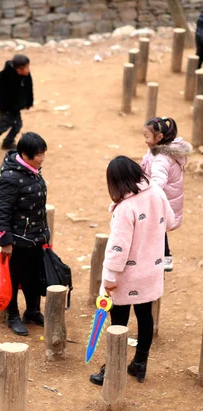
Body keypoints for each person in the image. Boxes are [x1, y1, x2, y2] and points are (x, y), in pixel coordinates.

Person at [90, 156, 174, 386]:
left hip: (127, 275)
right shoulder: (156, 192)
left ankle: (112, 368)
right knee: (145, 316)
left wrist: (109, 277)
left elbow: (118, 248)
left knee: (118, 321)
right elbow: (171, 221)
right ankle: (139, 363)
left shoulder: (125, 208)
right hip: (151, 271)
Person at [0, 132, 50, 336]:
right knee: (14, 277)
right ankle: (12, 316)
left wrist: (45, 233)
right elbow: (3, 210)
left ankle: (33, 311)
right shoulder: (10, 178)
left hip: (36, 236)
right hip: (18, 240)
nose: (42, 158)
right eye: (38, 155)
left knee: (34, 277)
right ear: (25, 155)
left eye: (43, 153)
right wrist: (5, 240)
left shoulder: (34, 171)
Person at [141, 117, 191, 272]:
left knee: (155, 229)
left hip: (162, 201)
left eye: (147, 137)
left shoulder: (161, 158)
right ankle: (164, 257)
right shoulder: (159, 149)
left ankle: (163, 258)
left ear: (159, 137)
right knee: (157, 228)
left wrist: (146, 192)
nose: (145, 140)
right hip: (165, 199)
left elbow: (158, 181)